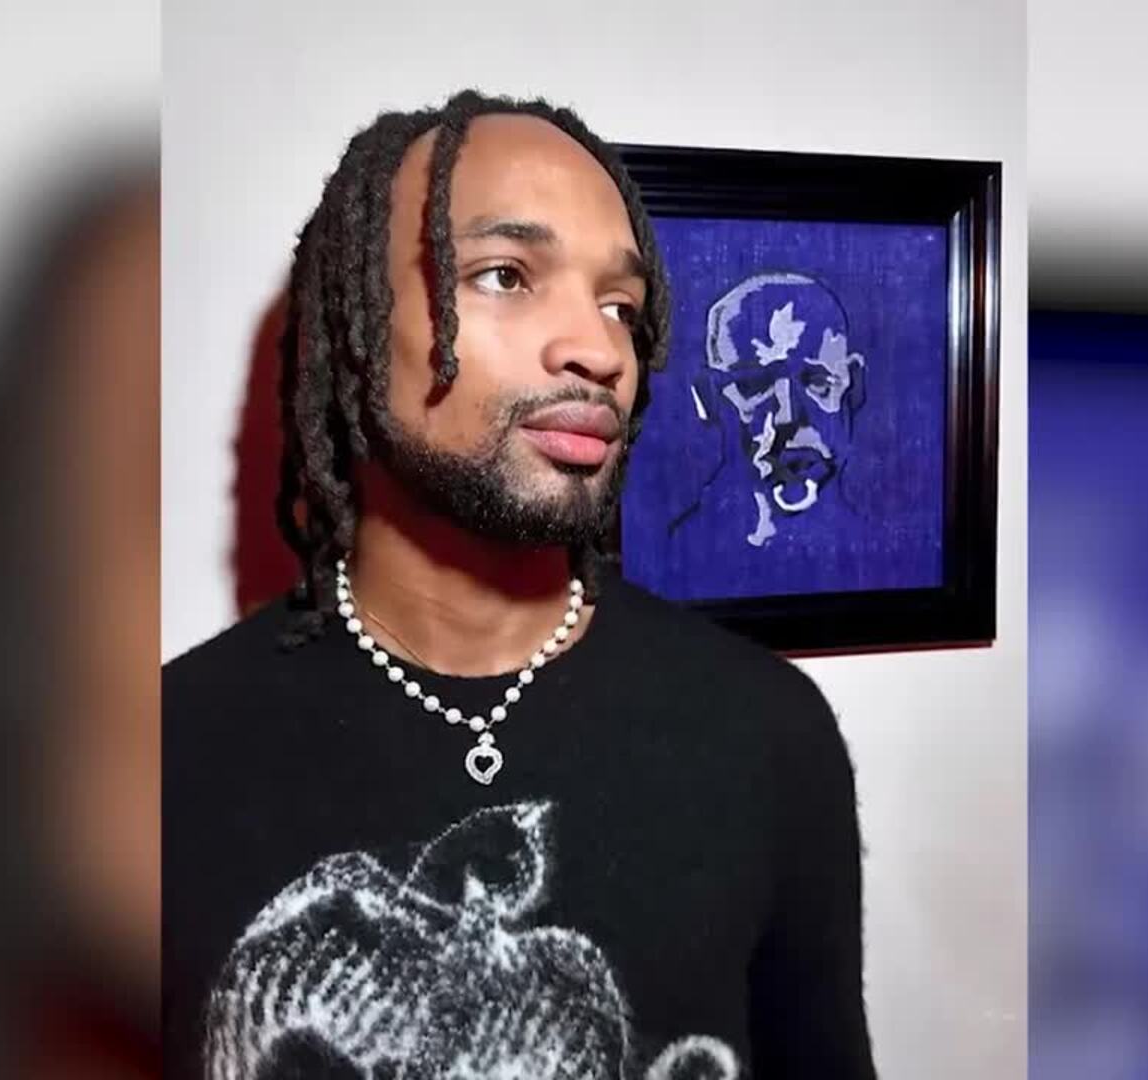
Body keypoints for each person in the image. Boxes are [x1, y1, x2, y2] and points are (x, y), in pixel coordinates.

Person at [164, 89, 877, 1079]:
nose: (599, 350)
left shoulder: (769, 736)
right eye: (505, 275)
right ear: (357, 326)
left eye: (621, 307)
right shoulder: (168, 753)